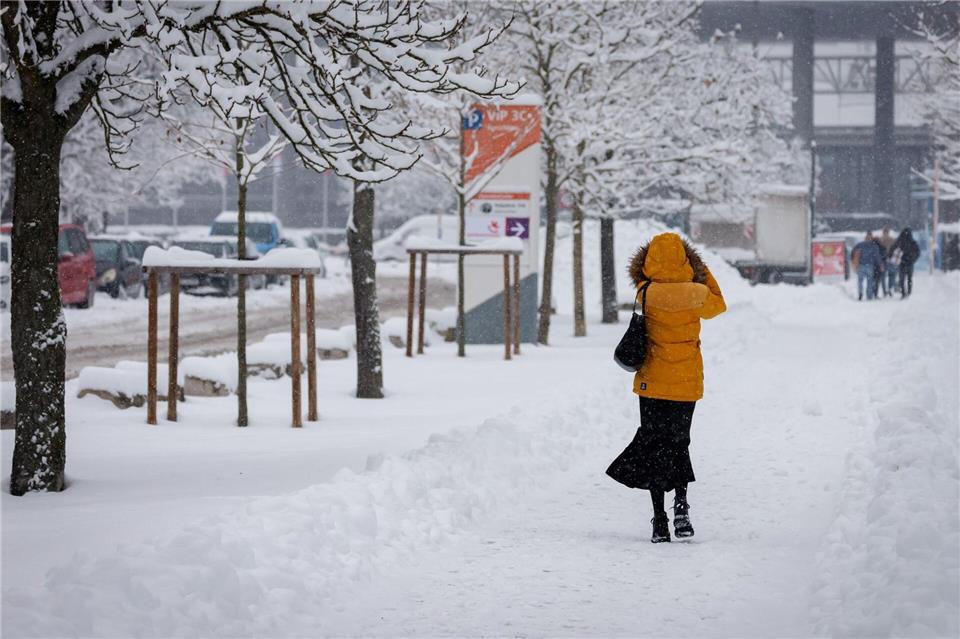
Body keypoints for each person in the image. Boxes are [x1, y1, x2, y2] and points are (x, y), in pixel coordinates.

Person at [606, 233, 726, 543]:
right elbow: (719, 304)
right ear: (686, 258)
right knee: (678, 442)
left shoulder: (645, 292)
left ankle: (659, 520)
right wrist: (700, 268)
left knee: (655, 446)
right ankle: (682, 507)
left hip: (653, 382)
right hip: (685, 382)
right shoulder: (697, 292)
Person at [851, 232, 883, 300]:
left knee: (860, 281)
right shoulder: (874, 246)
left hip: (861, 265)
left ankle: (860, 293)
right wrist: (880, 264)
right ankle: (869, 295)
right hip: (870, 266)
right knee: (870, 281)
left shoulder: (860, 245)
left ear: (865, 237)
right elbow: (877, 257)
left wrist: (853, 260)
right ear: (871, 238)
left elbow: (853, 251)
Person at [892, 227, 920, 298]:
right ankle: (909, 292)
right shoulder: (913, 242)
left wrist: (893, 258)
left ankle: (903, 293)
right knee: (909, 279)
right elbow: (917, 253)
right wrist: (913, 259)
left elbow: (892, 249)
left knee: (902, 279)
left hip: (902, 263)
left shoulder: (899, 241)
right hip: (909, 263)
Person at [878, 227, 896, 297]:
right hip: (890, 260)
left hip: (883, 260)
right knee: (891, 275)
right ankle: (889, 289)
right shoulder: (892, 240)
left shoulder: (880, 240)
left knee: (883, 277)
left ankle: (885, 291)